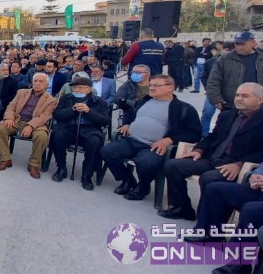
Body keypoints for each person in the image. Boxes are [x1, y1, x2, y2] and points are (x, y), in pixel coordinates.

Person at [159, 83, 263, 221]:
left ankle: (204, 220)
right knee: (172, 165)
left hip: (234, 165)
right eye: (237, 95)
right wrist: (199, 150)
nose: (239, 99)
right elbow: (212, 137)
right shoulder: (227, 115)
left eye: (245, 96)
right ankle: (182, 208)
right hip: (212, 158)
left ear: (259, 99)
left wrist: (239, 164)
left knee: (209, 178)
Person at [101, 75, 202, 201]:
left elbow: (195, 133)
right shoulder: (144, 100)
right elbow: (129, 113)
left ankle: (143, 186)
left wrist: (170, 139)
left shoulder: (183, 108)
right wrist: (127, 124)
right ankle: (128, 179)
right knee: (107, 151)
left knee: (146, 163)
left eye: (156, 85)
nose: (152, 88)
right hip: (132, 140)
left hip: (153, 146)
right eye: (151, 85)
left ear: (170, 87)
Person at [185, 163, 263, 274]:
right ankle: (211, 235)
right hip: (259, 191)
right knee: (215, 189)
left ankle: (241, 264)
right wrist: (255, 176)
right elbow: (260, 168)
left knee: (251, 210)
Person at [49, 76, 110, 190]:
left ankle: (87, 175)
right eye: (74, 88)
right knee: (58, 136)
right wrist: (72, 110)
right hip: (68, 127)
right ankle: (61, 168)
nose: (76, 90)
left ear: (89, 89)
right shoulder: (65, 98)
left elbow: (104, 121)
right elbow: (57, 115)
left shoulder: (99, 102)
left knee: (95, 142)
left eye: (80, 88)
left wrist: (89, 111)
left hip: (89, 130)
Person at [0, 73, 57, 178]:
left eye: (40, 81)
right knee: (0, 129)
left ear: (47, 84)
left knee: (42, 136)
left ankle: (33, 164)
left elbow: (45, 116)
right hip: (17, 120)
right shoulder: (21, 92)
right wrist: (9, 118)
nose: (37, 83)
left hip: (36, 124)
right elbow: (11, 107)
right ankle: (6, 159)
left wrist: (30, 126)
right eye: (35, 81)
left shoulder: (51, 100)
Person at [207, 31, 263, 112]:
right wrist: (215, 98)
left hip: (259, 106)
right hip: (231, 106)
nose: (239, 47)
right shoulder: (224, 59)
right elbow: (213, 80)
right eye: (237, 44)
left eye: (243, 44)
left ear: (253, 43)